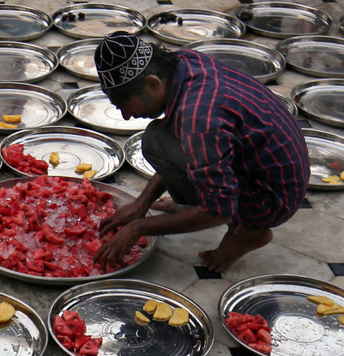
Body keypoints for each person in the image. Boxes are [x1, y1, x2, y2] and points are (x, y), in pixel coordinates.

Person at [92, 32, 309, 273]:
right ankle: (194, 204)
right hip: (260, 162)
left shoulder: (200, 119)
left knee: (159, 142)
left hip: (273, 197)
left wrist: (139, 227)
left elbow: (219, 211)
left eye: (124, 105)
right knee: (158, 137)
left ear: (153, 84)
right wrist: (142, 202)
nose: (125, 116)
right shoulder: (183, 62)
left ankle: (250, 230)